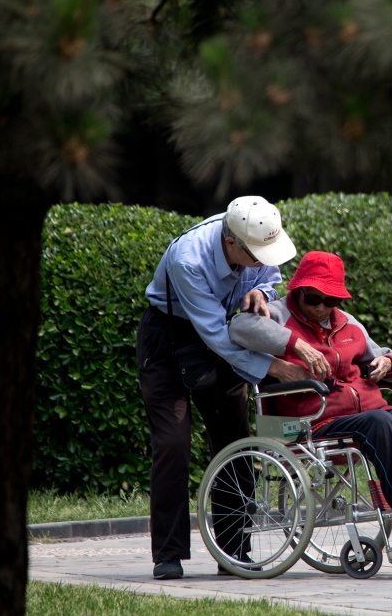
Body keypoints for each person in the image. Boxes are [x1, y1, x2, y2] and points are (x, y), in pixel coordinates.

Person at [229, 250, 392, 559]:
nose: (321, 307)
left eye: (331, 301)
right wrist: (296, 345)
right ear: (297, 289)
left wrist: (388, 362)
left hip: (371, 415)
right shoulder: (277, 314)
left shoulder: (348, 323)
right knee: (378, 422)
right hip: (317, 421)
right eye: (313, 297)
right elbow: (238, 328)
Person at [136, 195, 322, 580]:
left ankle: (234, 552)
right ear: (231, 242)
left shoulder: (252, 232)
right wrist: (274, 367)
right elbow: (217, 336)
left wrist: (262, 294)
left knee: (235, 440)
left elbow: (269, 277)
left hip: (219, 331)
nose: (262, 260)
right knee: (172, 444)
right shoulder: (188, 258)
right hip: (168, 338)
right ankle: (168, 555)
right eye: (256, 255)